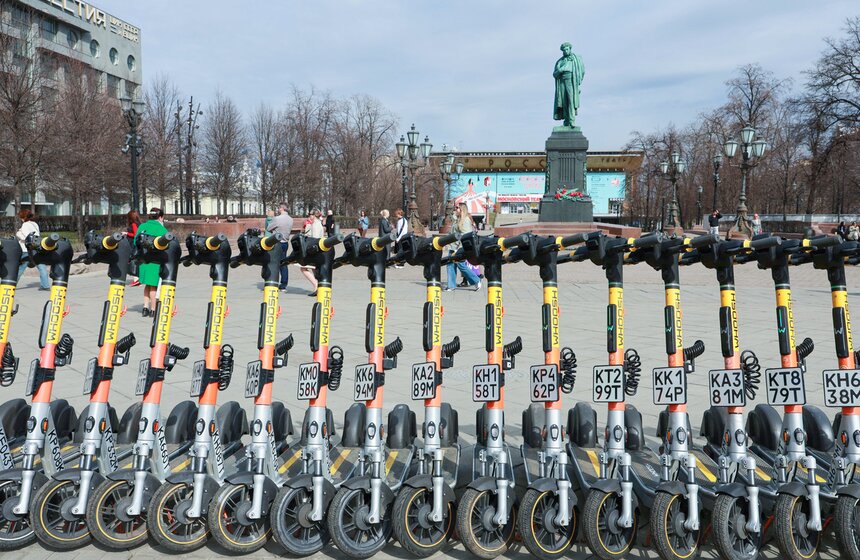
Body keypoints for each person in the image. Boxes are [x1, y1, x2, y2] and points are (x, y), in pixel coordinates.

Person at [136, 207, 168, 317]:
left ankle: (145, 307)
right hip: (155, 260)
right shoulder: (162, 229)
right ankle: (153, 309)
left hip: (143, 260)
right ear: (160, 217)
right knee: (153, 286)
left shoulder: (142, 226)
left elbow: (136, 242)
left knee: (147, 285)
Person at [445, 203, 481, 291]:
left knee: (461, 265)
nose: (455, 209)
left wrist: (459, 248)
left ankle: (476, 280)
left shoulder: (465, 220)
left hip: (459, 248)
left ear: (462, 209)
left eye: (457, 208)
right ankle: (451, 285)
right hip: (452, 246)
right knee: (450, 265)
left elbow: (465, 236)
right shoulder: (457, 219)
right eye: (455, 207)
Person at [15, 209, 50, 290]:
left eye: (21, 217)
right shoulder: (35, 224)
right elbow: (36, 237)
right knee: (42, 267)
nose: (20, 219)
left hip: (26, 249)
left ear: (23, 217)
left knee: (20, 268)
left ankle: (11, 284)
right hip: (36, 249)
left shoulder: (25, 225)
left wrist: (18, 234)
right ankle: (45, 286)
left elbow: (27, 238)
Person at [267, 202, 294, 291]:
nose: (278, 210)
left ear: (282, 209)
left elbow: (268, 228)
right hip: (285, 242)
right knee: (283, 263)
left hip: (276, 243)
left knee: (273, 263)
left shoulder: (277, 219)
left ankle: (272, 282)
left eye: (279, 208)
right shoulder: (290, 219)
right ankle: (283, 284)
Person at [299, 209, 324, 296]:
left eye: (310, 214)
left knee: (303, 268)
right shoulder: (315, 224)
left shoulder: (316, 225)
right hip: (316, 251)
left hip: (313, 251)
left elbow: (315, 239)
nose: (309, 216)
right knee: (313, 269)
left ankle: (316, 285)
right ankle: (317, 287)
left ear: (313, 215)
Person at [126, 210, 142, 287]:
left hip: (133, 243)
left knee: (133, 260)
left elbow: (135, 234)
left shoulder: (133, 224)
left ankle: (136, 279)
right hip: (137, 243)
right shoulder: (139, 224)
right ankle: (138, 278)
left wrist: (126, 233)